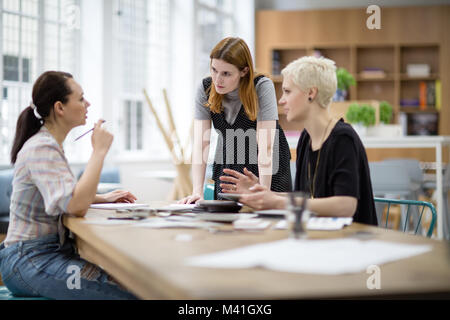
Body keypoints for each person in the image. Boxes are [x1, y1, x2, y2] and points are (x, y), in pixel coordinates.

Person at [0, 71, 138, 299]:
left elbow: (63, 196)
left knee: (129, 283)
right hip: (30, 259)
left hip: (40, 255)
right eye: (81, 98)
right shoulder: (42, 148)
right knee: (129, 293)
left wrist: (103, 198)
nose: (88, 103)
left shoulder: (49, 145)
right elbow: (75, 206)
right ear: (60, 108)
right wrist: (99, 151)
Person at [223, 56, 378, 225]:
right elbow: (302, 198)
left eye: (287, 91)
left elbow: (346, 205)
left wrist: (278, 202)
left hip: (351, 242)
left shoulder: (343, 139)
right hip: (320, 237)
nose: (281, 100)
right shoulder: (306, 138)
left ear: (311, 93)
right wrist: (261, 192)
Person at [179, 37, 291, 203]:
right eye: (214, 70)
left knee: (267, 218)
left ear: (244, 71)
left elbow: (266, 145)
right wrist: (197, 191)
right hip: (230, 157)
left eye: (226, 73)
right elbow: (201, 143)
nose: (218, 80)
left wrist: (264, 192)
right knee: (225, 217)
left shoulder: (261, 86)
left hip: (268, 163)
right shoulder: (205, 88)